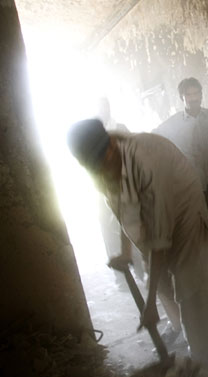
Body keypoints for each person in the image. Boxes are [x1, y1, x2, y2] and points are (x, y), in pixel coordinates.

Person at [67, 119, 208, 363]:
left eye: (104, 162)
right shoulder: (98, 165)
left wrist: (148, 306)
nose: (101, 169)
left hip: (186, 214)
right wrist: (125, 252)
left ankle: (206, 356)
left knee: (191, 289)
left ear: (110, 146)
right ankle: (180, 327)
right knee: (157, 279)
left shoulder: (147, 160)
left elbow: (158, 239)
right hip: (153, 216)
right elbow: (123, 209)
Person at [153, 78, 208, 250]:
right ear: (182, 97)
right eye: (189, 94)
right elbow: (155, 140)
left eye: (197, 93)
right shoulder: (172, 124)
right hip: (193, 189)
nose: (194, 98)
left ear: (202, 95)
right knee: (203, 234)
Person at [93, 97, 146, 289]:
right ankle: (122, 279)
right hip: (103, 192)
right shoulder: (91, 133)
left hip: (124, 185)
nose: (101, 110)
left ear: (108, 108)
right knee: (110, 234)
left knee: (132, 227)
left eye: (104, 106)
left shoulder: (120, 127)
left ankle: (141, 271)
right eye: (97, 107)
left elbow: (133, 152)